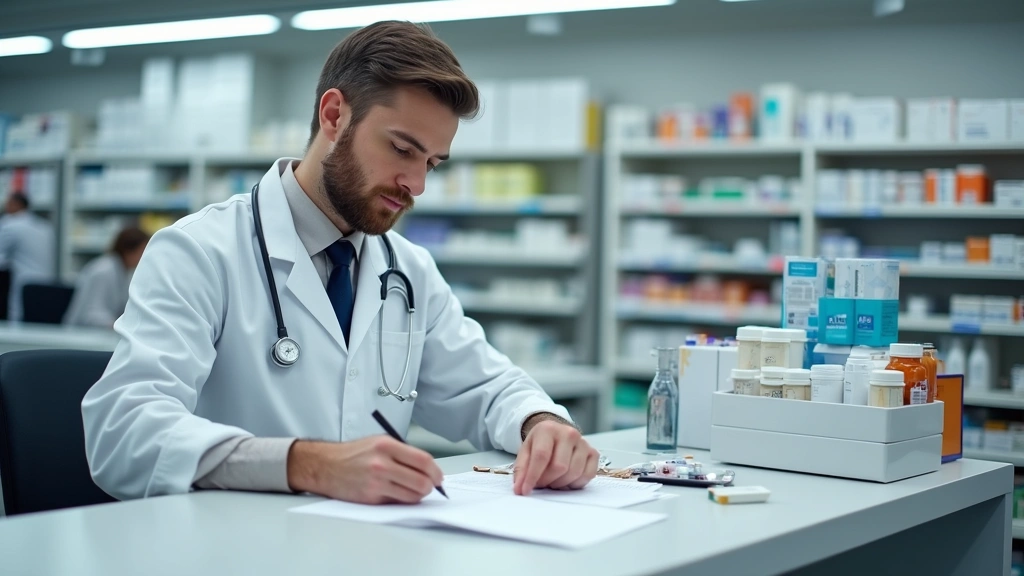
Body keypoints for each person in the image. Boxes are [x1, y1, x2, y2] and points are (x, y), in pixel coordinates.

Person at [82, 21, 599, 505]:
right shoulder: (199, 251)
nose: (416, 185)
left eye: (431, 164)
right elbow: (123, 430)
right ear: (334, 116)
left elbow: (486, 387)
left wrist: (541, 423)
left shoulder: (408, 270)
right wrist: (306, 464)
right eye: (402, 149)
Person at [63, 226, 150, 328]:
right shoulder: (103, 271)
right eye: (142, 252)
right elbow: (91, 315)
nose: (144, 256)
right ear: (128, 251)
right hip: (81, 334)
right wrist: (121, 325)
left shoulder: (124, 272)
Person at [0, 192, 55, 321]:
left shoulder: (11, 224)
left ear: (17, 204)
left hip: (24, 283)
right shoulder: (44, 226)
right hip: (47, 284)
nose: (5, 207)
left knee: (19, 320)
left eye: (8, 204)